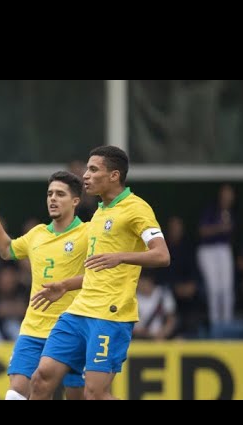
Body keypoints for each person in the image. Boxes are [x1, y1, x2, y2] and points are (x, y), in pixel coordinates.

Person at [29, 146, 170, 400]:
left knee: (94, 393)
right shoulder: (99, 213)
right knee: (41, 379)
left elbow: (162, 255)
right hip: (79, 310)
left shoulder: (136, 208)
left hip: (110, 314)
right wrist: (65, 285)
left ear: (114, 175)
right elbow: (98, 270)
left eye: (93, 170)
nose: (85, 175)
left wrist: (121, 256)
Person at [0, 170, 89, 401]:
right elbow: (7, 250)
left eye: (60, 194)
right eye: (50, 194)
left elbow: (103, 274)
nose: (53, 199)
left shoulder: (87, 233)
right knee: (16, 392)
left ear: (75, 201)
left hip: (72, 329)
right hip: (33, 328)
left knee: (78, 395)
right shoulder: (37, 234)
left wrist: (66, 285)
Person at [197, 184, 236, 327]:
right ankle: (215, 325)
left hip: (224, 249)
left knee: (226, 289)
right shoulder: (211, 209)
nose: (227, 197)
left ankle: (227, 324)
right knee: (214, 289)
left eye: (230, 195)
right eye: (225, 194)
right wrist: (220, 228)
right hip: (208, 249)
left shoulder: (232, 210)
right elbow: (202, 231)